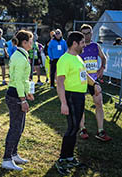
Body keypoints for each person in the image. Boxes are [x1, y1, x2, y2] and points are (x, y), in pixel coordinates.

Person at [55, 31, 102, 175]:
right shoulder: (65, 59)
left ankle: (69, 157)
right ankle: (62, 159)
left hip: (79, 96)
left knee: (75, 128)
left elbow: (85, 74)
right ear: (74, 44)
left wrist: (94, 84)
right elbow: (60, 83)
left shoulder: (78, 58)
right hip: (70, 96)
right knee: (72, 128)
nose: (84, 45)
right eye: (82, 43)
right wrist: (63, 102)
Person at [1, 30, 34, 171]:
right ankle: (6, 159)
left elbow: (22, 80)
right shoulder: (20, 57)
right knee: (15, 128)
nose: (32, 44)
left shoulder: (21, 55)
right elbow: (18, 82)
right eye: (31, 41)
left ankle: (13, 154)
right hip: (15, 96)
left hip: (18, 94)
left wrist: (28, 93)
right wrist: (23, 100)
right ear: (24, 43)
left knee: (19, 127)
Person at [78, 24, 111, 141]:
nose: (86, 36)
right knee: (80, 105)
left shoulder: (95, 46)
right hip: (81, 80)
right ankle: (82, 129)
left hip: (94, 80)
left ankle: (101, 131)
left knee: (99, 103)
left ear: (92, 33)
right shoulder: (78, 46)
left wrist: (102, 68)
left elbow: (103, 58)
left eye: (88, 33)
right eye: (84, 33)